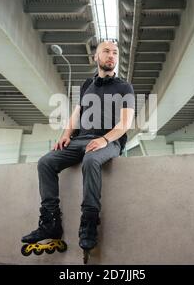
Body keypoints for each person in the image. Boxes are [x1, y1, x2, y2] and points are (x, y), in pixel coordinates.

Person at [21, 40, 135, 252]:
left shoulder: (124, 87)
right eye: (107, 51)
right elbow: (76, 115)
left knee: (91, 160)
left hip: (109, 141)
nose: (112, 56)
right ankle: (50, 222)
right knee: (46, 162)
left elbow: (126, 123)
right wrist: (66, 135)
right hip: (80, 139)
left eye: (115, 53)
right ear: (96, 57)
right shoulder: (85, 85)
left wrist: (104, 140)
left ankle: (89, 222)